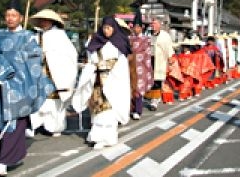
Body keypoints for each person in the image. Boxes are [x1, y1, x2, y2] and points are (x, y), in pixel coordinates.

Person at [0, 0, 54, 176]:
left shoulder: (28, 37)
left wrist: (13, 65)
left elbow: (35, 59)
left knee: (13, 122)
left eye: (14, 15)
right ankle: (12, 154)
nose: (10, 18)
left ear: (20, 17)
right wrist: (2, 68)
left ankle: (5, 161)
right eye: (7, 15)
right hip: (1, 87)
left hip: (20, 86)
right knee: (4, 121)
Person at [72, 16, 132, 149]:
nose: (106, 31)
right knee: (97, 109)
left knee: (109, 111)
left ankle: (108, 138)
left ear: (114, 29)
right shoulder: (96, 41)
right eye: (104, 27)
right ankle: (96, 136)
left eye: (109, 28)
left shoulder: (120, 44)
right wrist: (91, 69)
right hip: (97, 80)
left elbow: (122, 65)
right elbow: (91, 60)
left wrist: (113, 77)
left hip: (112, 81)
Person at [25, 9, 78, 137]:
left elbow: (69, 55)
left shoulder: (59, 36)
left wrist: (50, 57)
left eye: (45, 20)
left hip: (55, 74)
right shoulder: (36, 35)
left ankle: (54, 126)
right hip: (39, 73)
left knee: (53, 102)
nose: (43, 23)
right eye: (41, 20)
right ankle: (37, 124)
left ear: (52, 21)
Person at [144, 17, 175, 111]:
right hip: (148, 59)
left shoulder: (165, 35)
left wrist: (170, 57)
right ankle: (150, 96)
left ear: (159, 25)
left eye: (155, 24)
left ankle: (155, 101)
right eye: (152, 24)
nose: (153, 26)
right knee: (148, 79)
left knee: (157, 81)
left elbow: (169, 47)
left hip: (159, 60)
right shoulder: (147, 34)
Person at [128, 10, 153, 119]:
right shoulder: (129, 39)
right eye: (135, 27)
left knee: (138, 89)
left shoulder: (146, 39)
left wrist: (136, 54)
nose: (136, 29)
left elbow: (146, 54)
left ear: (141, 28)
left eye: (138, 27)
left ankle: (138, 110)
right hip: (130, 66)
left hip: (141, 66)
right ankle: (130, 109)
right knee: (130, 88)